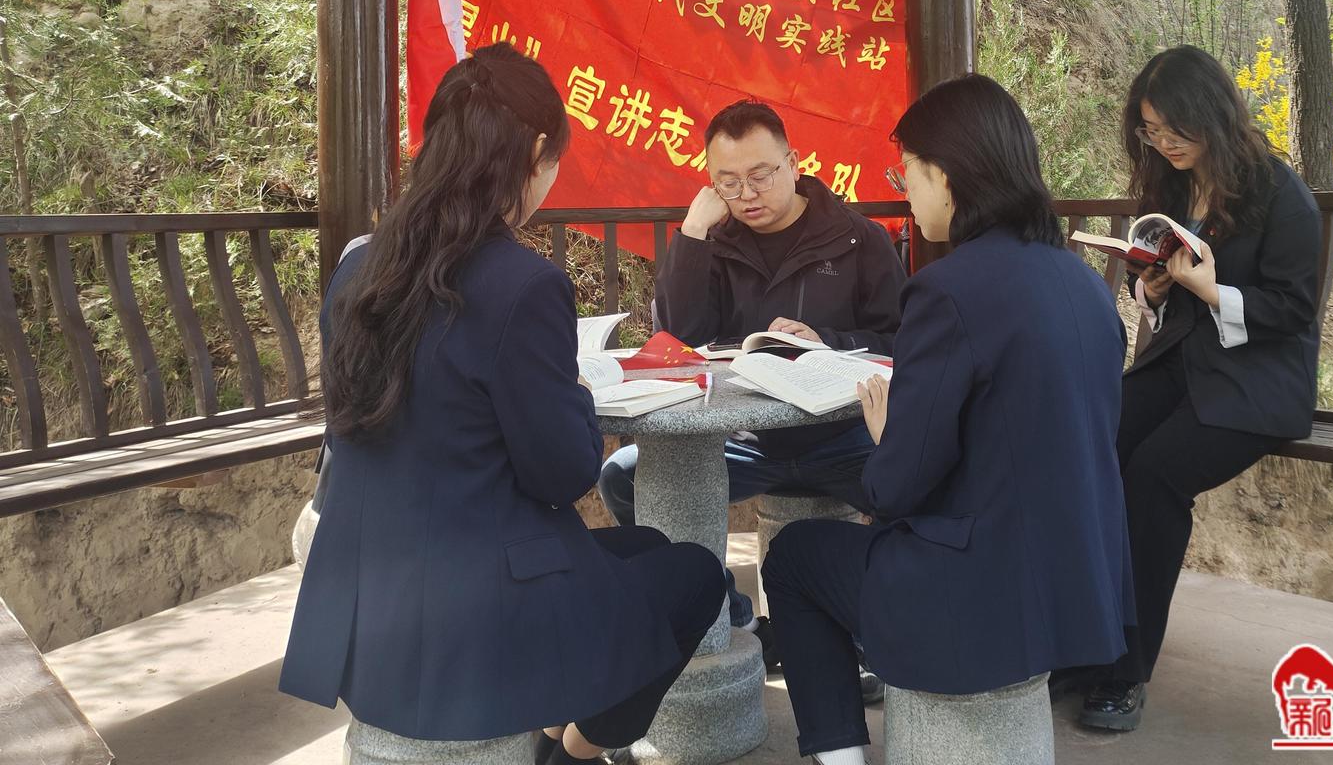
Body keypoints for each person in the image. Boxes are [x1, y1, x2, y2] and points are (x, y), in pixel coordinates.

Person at [279, 45, 724, 765]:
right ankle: (570, 753)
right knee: (696, 575)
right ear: (537, 151)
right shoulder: (522, 285)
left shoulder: (359, 266)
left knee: (645, 549)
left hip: (372, 589)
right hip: (478, 609)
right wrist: (575, 394)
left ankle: (558, 734)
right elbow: (561, 474)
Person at [761, 73, 1136, 765]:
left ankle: (839, 756)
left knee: (792, 557)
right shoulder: (1086, 285)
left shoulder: (946, 291)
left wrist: (887, 439)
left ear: (946, 173)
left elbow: (895, 489)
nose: (905, 188)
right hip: (1076, 587)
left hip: (971, 594)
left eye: (906, 170)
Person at [598, 100, 905, 675]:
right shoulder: (715, 240)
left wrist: (827, 340)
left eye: (761, 175)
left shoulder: (858, 240)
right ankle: (732, 613)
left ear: (794, 163)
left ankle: (870, 634)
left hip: (844, 439)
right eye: (729, 182)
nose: (747, 195)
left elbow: (898, 341)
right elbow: (681, 337)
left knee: (920, 488)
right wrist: (692, 233)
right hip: (745, 441)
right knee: (622, 477)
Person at [1077, 44, 1320, 733]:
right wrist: (1153, 288)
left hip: (1255, 384)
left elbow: (1294, 308)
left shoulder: (1280, 194)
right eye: (1151, 131)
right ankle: (1086, 638)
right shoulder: (1175, 188)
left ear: (1212, 114)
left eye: (1174, 130)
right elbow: (1164, 297)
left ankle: (1125, 669)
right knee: (1094, 444)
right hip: (1185, 365)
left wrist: (1212, 291)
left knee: (1153, 476)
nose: (1164, 144)